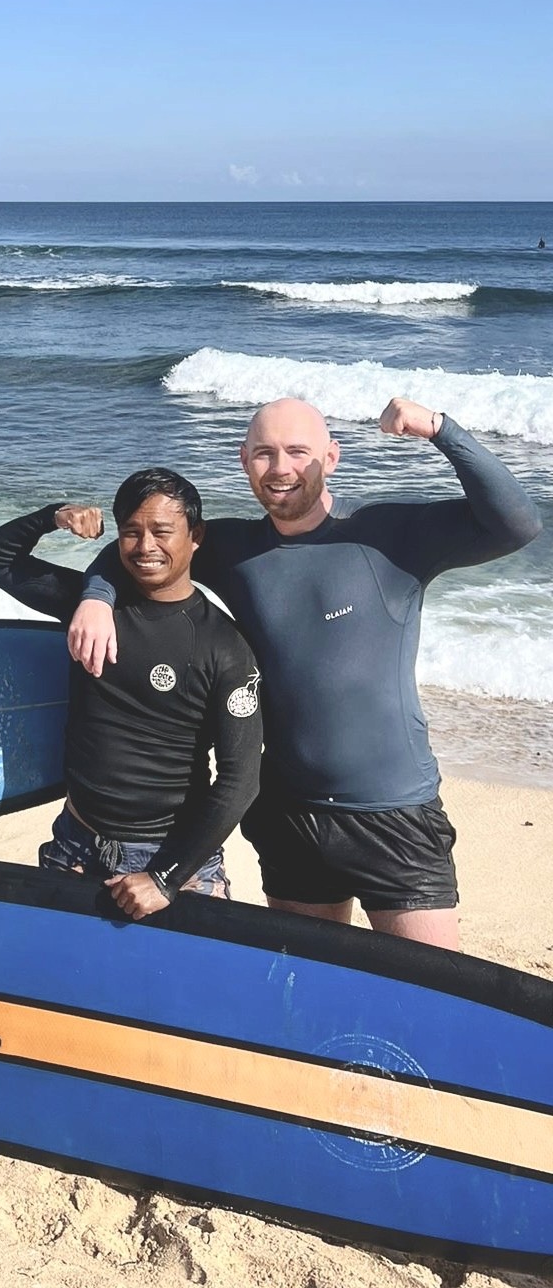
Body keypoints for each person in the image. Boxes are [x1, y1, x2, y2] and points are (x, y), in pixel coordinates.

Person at [68, 398, 543, 949]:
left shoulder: (389, 534)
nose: (281, 468)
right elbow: (144, 545)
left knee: (426, 988)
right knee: (307, 983)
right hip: (289, 815)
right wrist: (97, 597)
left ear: (331, 457)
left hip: (392, 813)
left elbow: (517, 523)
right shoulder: (233, 547)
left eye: (298, 451)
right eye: (264, 453)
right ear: (244, 460)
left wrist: (439, 429)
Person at [0, 469, 262, 920]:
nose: (145, 546)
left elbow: (240, 781)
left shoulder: (224, 646)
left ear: (196, 536)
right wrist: (55, 517)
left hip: (174, 858)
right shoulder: (92, 611)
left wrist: (165, 878)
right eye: (131, 532)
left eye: (162, 531)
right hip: (76, 843)